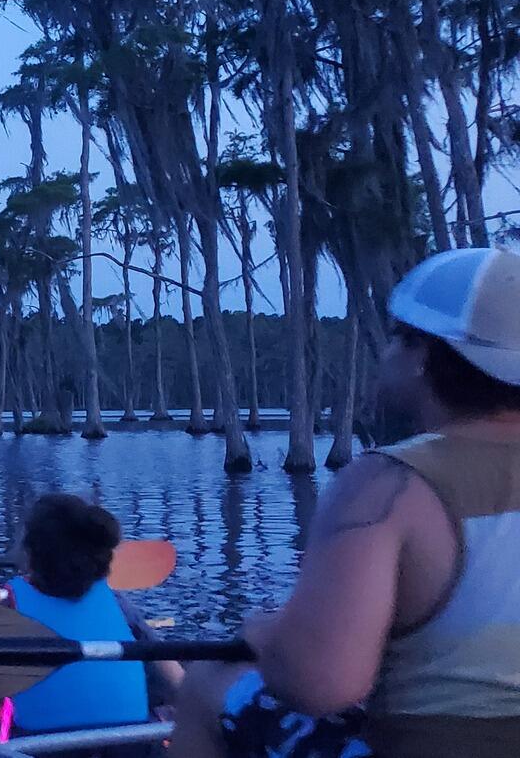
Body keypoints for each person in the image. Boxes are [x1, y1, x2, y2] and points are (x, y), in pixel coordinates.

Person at [173, 247, 520, 758]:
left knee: (206, 682)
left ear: (423, 356)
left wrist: (268, 634)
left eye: (399, 336)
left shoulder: (387, 485)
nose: (387, 352)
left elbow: (321, 684)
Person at [5, 493, 170, 736]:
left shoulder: (8, 603)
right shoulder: (116, 602)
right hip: (131, 744)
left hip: (39, 747)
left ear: (30, 555)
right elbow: (176, 681)